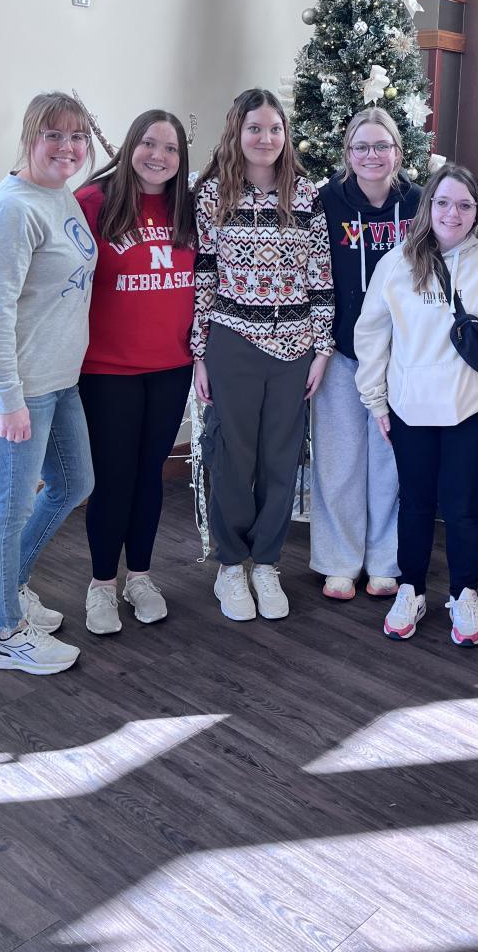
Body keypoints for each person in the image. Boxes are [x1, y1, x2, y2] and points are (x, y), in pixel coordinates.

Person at [353, 165, 478, 647]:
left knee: (462, 507)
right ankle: (410, 590)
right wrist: (376, 401)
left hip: (473, 409)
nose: (453, 213)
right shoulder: (395, 264)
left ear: (476, 212)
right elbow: (372, 335)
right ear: (428, 206)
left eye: (464, 205)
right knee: (414, 504)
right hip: (409, 407)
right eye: (444, 203)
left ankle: (463, 592)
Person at [0, 91, 97, 674]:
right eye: (54, 135)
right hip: (14, 388)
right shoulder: (12, 210)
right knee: (8, 509)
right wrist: (7, 398)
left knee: (74, 482)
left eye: (77, 137)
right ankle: (6, 633)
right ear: (30, 137)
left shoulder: (58, 195)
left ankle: (3, 591)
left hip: (56, 381)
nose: (67, 147)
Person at [192, 88, 334, 622]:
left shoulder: (307, 195)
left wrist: (322, 349)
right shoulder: (212, 195)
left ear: (285, 135)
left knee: (281, 456)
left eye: (275, 128)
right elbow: (204, 274)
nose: (266, 138)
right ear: (237, 131)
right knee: (233, 456)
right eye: (255, 128)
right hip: (232, 341)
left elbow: (321, 275)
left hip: (295, 345)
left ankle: (267, 563)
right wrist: (200, 352)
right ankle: (232, 565)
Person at [74, 110, 196, 635]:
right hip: (107, 370)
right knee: (113, 477)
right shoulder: (93, 202)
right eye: (149, 143)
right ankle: (102, 583)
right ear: (130, 146)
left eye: (170, 148)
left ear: (181, 159)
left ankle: (140, 577)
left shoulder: (188, 207)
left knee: (150, 476)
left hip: (172, 368)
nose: (158, 156)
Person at [311, 109, 421, 601]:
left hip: (402, 356)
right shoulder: (325, 202)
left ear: (398, 151)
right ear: (348, 153)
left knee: (390, 461)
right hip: (339, 351)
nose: (371, 156)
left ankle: (385, 560)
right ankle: (338, 561)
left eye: (382, 146)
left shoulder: (420, 204)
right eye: (361, 147)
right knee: (339, 460)